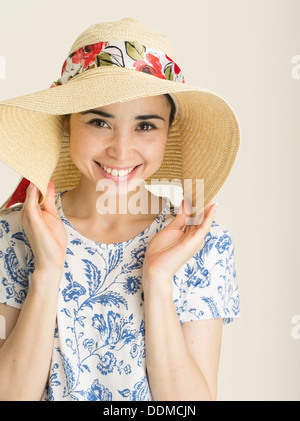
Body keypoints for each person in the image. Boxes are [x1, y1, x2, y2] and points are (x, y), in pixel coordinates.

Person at [0, 18, 240, 401]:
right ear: (66, 124)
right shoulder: (13, 235)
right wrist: (46, 271)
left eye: (145, 126)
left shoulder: (202, 247)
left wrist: (159, 281)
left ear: (168, 133)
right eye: (99, 121)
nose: (121, 150)